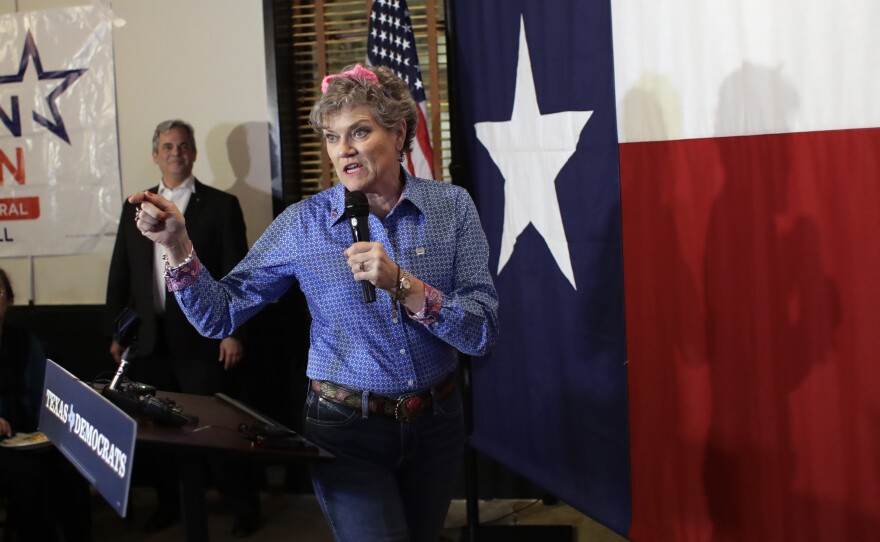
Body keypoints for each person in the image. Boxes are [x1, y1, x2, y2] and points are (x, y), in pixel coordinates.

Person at [129, 64, 499, 542]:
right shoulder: (303, 224)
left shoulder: (452, 208)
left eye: (359, 132)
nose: (342, 150)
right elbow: (218, 315)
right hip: (346, 430)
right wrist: (177, 247)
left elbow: (483, 330)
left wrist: (404, 285)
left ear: (399, 131)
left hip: (437, 423)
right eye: (332, 137)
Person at [105, 119, 261, 537]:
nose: (176, 152)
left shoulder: (221, 205)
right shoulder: (135, 207)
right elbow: (121, 273)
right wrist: (118, 333)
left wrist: (234, 332)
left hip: (203, 340)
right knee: (157, 434)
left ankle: (243, 506)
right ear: (156, 154)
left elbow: (238, 274)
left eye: (184, 145)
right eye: (168, 146)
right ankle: (169, 506)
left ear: (193, 153)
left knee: (217, 430)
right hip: (149, 342)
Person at [0, 268, 92, 542]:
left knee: (71, 466)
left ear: (9, 300)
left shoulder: (25, 343)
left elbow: (47, 392)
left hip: (28, 432)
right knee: (28, 477)